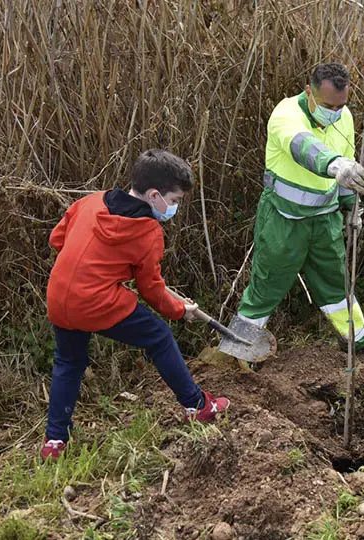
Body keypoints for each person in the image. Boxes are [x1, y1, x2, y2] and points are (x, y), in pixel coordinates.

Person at [41, 149, 230, 460]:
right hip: (96, 302)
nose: (174, 207)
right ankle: (198, 406)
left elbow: (57, 239)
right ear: (154, 195)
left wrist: (99, 265)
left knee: (68, 362)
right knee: (158, 336)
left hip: (59, 297)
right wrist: (181, 310)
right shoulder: (147, 232)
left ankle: (55, 441)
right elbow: (152, 291)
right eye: (174, 200)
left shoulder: (91, 201)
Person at [235, 62, 364, 356]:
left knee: (336, 283)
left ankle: (356, 340)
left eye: (341, 105)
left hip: (324, 221)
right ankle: (240, 351)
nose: (334, 113)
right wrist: (334, 165)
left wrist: (351, 206)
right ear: (309, 92)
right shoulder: (285, 115)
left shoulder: (343, 116)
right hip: (284, 220)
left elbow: (348, 165)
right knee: (265, 287)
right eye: (327, 105)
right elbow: (302, 146)